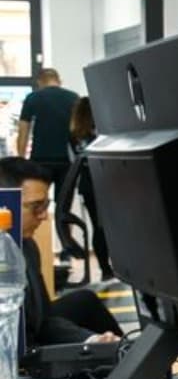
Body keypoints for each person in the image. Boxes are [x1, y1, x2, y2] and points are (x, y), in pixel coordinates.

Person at [0, 157, 120, 346]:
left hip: (30, 333)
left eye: (45, 206)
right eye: (36, 207)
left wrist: (91, 340)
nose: (43, 216)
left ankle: (125, 355)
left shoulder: (28, 246)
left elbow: (44, 320)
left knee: (84, 301)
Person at [67, 97, 114, 279]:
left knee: (97, 226)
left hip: (87, 185)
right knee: (112, 227)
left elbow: (73, 162)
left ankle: (105, 269)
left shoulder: (74, 135)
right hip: (107, 183)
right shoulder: (102, 132)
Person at [16, 68, 79, 196]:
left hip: (39, 161)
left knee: (37, 200)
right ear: (59, 81)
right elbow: (78, 130)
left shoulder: (32, 98)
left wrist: (21, 160)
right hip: (66, 161)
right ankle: (60, 216)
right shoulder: (73, 98)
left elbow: (23, 131)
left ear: (40, 82)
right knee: (63, 203)